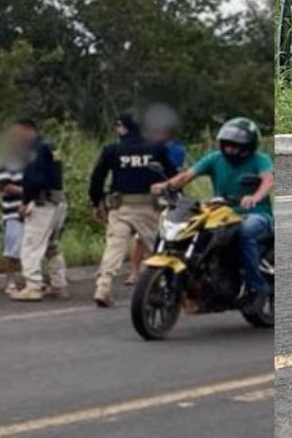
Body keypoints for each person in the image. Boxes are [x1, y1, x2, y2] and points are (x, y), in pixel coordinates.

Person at [153, 117, 273, 311]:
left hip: (255, 213)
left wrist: (255, 197)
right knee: (194, 230)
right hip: (221, 212)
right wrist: (166, 186)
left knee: (245, 232)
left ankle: (256, 288)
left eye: (235, 146)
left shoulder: (260, 160)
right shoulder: (214, 158)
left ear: (248, 146)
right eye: (226, 145)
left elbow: (268, 180)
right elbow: (187, 176)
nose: (229, 149)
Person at [88, 111, 175, 307]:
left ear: (123, 127)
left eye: (118, 126)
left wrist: (96, 202)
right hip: (149, 207)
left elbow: (97, 178)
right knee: (157, 248)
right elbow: (172, 175)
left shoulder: (112, 150)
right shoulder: (156, 148)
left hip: (121, 207)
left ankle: (103, 287)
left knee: (114, 247)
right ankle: (163, 285)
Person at [7, 119, 69, 302]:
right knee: (52, 246)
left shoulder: (35, 150)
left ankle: (33, 285)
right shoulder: (50, 146)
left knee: (31, 245)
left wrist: (25, 201)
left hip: (43, 203)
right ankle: (59, 284)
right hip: (58, 201)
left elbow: (33, 179)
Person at [129, 107, 186, 283]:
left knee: (170, 230)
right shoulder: (146, 147)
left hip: (169, 192)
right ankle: (134, 271)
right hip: (150, 193)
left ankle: (161, 269)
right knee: (141, 235)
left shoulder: (175, 149)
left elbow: (177, 172)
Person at [0, 141, 27, 294]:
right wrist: (28, 190)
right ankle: (10, 281)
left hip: (31, 210)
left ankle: (30, 280)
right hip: (13, 212)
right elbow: (6, 187)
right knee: (11, 250)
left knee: (30, 248)